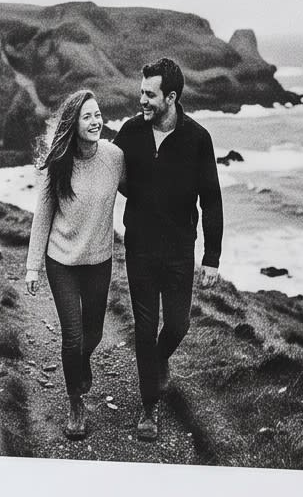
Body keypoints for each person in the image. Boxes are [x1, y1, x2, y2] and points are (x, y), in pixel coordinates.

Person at [113, 58, 223, 441]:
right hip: (140, 249)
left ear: (171, 97)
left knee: (178, 324)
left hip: (179, 251)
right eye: (141, 92)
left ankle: (157, 362)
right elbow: (107, 170)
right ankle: (149, 407)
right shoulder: (131, 132)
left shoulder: (197, 139)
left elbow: (211, 199)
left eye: (149, 94)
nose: (141, 100)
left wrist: (212, 258)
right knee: (144, 330)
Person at [21, 89, 125, 441]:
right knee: (73, 337)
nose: (96, 122)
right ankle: (76, 404)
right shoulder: (58, 163)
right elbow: (43, 216)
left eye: (98, 115)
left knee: (94, 333)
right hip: (62, 260)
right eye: (87, 116)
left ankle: (80, 366)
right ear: (73, 123)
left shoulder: (114, 157)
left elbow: (139, 188)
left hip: (98, 260)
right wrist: (32, 266)